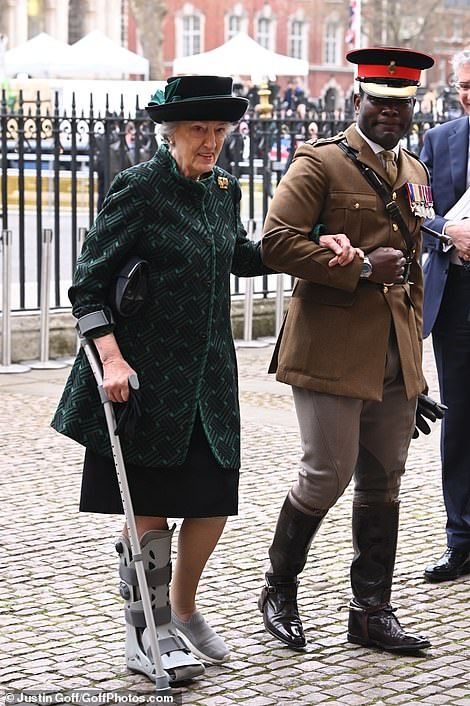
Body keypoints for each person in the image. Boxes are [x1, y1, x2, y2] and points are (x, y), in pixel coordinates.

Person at [51, 75, 356, 685]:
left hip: (210, 376)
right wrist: (111, 359)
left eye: (220, 130)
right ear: (171, 132)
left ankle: (183, 612)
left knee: (212, 500)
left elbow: (239, 255)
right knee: (152, 505)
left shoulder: (222, 187)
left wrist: (316, 245)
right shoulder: (139, 188)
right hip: (143, 377)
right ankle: (148, 630)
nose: (212, 141)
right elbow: (86, 284)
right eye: (200, 130)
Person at [258, 47, 436, 654]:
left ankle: (370, 612)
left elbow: (410, 277)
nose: (389, 112)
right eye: (379, 101)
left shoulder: (413, 171)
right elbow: (274, 244)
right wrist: (359, 267)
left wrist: (415, 371)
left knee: (385, 480)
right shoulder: (320, 164)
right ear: (358, 98)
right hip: (331, 348)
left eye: (401, 104)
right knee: (326, 474)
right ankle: (279, 588)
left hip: (393, 354)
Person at [420, 49, 470, 583]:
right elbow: (411, 209)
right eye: (462, 86)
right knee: (460, 423)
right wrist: (445, 231)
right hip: (459, 301)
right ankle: (461, 539)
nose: (468, 95)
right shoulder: (439, 141)